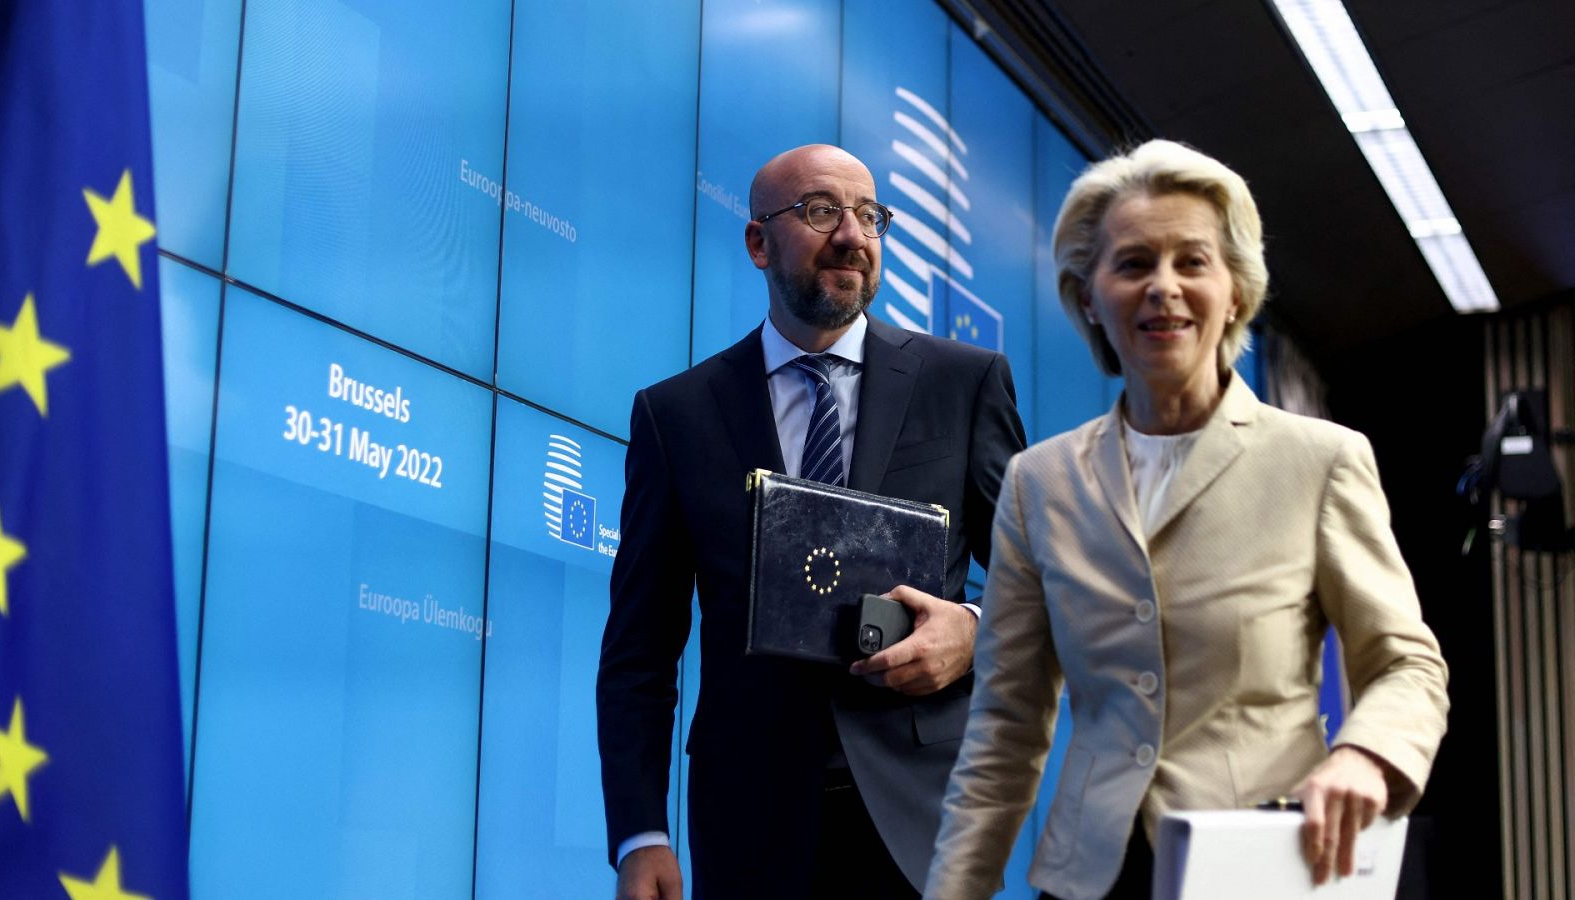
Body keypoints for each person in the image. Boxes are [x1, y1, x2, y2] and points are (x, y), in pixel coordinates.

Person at [923, 140, 1450, 900]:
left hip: (1268, 865)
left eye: (1192, 262)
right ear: (1090, 296)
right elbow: (1005, 725)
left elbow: (1406, 663)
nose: (1163, 287)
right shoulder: (1038, 484)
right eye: (1133, 264)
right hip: (1093, 880)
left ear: (1235, 291)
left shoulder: (1320, 461)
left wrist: (1366, 755)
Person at [596, 144, 1027, 899]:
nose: (853, 235)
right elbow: (640, 646)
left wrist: (973, 627)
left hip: (923, 815)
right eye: (821, 211)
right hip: (748, 817)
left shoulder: (963, 384)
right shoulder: (677, 415)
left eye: (870, 216)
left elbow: (1040, 584)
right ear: (758, 242)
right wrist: (641, 833)